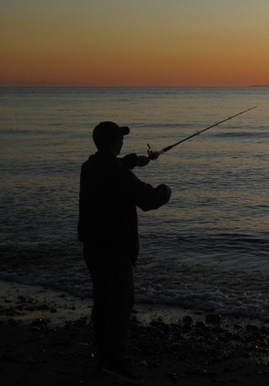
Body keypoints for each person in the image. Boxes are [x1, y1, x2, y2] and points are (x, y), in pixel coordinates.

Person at [78, 121, 171, 384]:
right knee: (119, 307)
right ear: (111, 142)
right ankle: (115, 363)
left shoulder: (91, 167)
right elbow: (148, 200)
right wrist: (165, 191)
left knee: (103, 303)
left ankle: (102, 356)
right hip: (115, 249)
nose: (123, 142)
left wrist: (136, 161)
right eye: (120, 138)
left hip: (92, 247)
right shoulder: (116, 174)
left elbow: (115, 167)